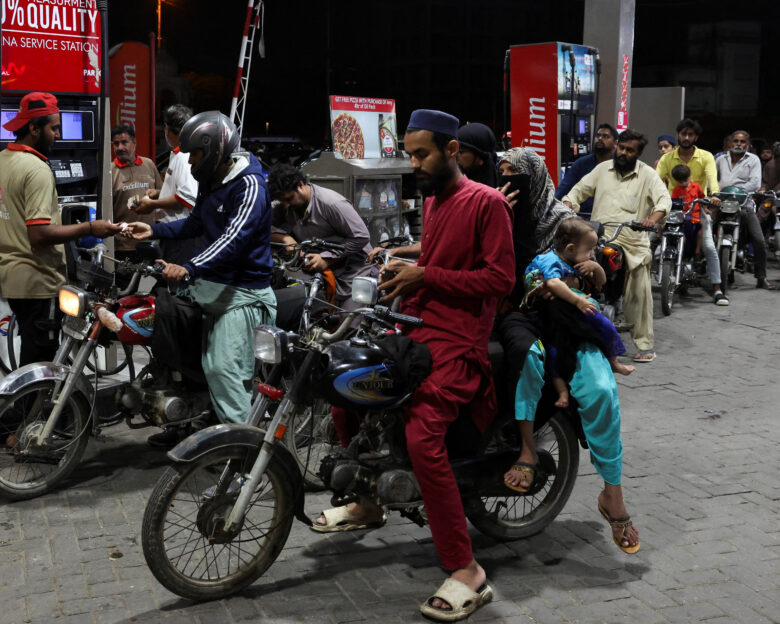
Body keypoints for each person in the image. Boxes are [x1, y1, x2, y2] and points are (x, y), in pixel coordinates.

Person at [316, 109, 515, 621]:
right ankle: (368, 500)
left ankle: (466, 570)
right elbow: (442, 255)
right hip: (415, 331)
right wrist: (408, 262)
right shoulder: (435, 199)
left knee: (423, 438)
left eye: (422, 153)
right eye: (411, 153)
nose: (414, 163)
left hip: (459, 345)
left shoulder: (488, 202)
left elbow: (498, 280)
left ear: (452, 150)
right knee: (346, 393)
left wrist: (426, 276)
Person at [496, 148, 640, 555]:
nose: (507, 181)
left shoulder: (564, 223)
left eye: (515, 175)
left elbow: (597, 273)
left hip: (569, 317)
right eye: (501, 173)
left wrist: (595, 273)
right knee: (526, 358)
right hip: (520, 313)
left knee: (600, 390)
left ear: (536, 178)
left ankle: (612, 493)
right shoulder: (493, 208)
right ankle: (524, 447)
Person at [122, 111, 277, 437]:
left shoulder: (249, 185)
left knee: (221, 369)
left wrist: (189, 266)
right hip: (212, 286)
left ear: (216, 150)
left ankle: (244, 454)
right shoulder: (211, 182)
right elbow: (195, 224)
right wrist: (153, 232)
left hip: (242, 292)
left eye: (196, 153)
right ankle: (190, 414)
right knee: (164, 328)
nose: (191, 161)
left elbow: (233, 239)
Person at [0, 92, 120, 366]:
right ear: (33, 128)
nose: (58, 134)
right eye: (53, 128)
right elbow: (39, 233)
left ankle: (26, 407)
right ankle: (37, 409)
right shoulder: (37, 169)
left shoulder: (3, 160)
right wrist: (91, 226)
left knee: (30, 351)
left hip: (12, 278)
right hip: (38, 280)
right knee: (42, 361)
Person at [563, 129, 671, 362]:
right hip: (598, 238)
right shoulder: (602, 170)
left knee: (639, 288)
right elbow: (579, 190)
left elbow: (664, 200)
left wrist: (651, 219)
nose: (623, 153)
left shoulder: (648, 175)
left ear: (638, 153)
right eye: (621, 147)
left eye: (629, 150)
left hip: (632, 241)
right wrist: (568, 204)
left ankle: (644, 344)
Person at [523, 218, 634, 388]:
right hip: (546, 313)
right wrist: (578, 301)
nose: (592, 253)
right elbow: (553, 283)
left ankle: (613, 361)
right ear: (570, 248)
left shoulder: (576, 260)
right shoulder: (549, 260)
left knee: (603, 323)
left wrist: (595, 267)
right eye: (589, 250)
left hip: (569, 309)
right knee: (592, 327)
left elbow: (601, 281)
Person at [266, 163, 377, 309]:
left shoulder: (331, 203)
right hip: (321, 271)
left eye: (289, 199)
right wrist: (285, 239)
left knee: (348, 323)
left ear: (300, 185)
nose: (286, 206)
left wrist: (327, 258)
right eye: (283, 201)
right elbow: (260, 226)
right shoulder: (286, 204)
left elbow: (361, 237)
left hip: (355, 270)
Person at [655, 119, 727, 305]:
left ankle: (718, 289)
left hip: (697, 206)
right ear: (678, 135)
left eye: (690, 134)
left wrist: (715, 194)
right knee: (652, 241)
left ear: (695, 137)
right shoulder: (667, 159)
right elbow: (655, 181)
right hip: (674, 207)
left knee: (709, 247)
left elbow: (712, 178)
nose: (686, 137)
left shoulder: (706, 156)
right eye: (683, 134)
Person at [498, 147, 577, 305]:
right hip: (507, 303)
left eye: (513, 170)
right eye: (501, 172)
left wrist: (566, 284)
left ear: (536, 175)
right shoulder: (499, 211)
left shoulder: (563, 219)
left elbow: (584, 269)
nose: (505, 177)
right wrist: (496, 215)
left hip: (551, 307)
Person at [130, 105, 201, 266]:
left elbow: (186, 197)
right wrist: (159, 193)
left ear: (168, 129)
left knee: (174, 283)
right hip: (172, 233)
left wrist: (152, 204)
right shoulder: (178, 154)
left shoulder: (184, 157)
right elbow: (180, 189)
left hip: (179, 235)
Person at [715, 130, 775, 290]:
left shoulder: (753, 160)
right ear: (731, 142)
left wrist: (733, 190)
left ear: (747, 145)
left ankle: (761, 277)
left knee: (759, 240)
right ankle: (698, 267)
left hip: (744, 203)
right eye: (735, 141)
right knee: (704, 230)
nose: (738, 144)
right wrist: (717, 191)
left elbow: (755, 183)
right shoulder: (721, 159)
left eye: (742, 142)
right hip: (722, 203)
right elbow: (713, 179)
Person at [110, 124, 162, 263]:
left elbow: (163, 194)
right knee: (126, 284)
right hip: (123, 245)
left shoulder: (148, 164)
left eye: (124, 142)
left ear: (134, 143)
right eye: (116, 144)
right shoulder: (109, 171)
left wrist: (156, 194)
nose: (120, 147)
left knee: (160, 282)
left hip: (150, 240)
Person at [554, 123, 618, 219]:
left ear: (615, 143)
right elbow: (563, 189)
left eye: (605, 136)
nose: (600, 139)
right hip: (582, 217)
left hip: (608, 218)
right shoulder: (581, 163)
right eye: (598, 136)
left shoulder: (619, 166)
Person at [455, 122, 498, 187]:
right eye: (455, 151)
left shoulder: (500, 192)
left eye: (461, 152)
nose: (455, 156)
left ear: (481, 158)